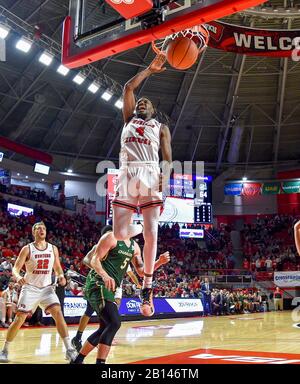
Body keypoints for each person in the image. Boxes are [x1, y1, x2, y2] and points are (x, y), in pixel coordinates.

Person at [112, 54, 172, 317]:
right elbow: (128, 88)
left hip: (150, 172)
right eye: (141, 102)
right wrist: (149, 69)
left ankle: (147, 285)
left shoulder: (161, 127)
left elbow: (167, 156)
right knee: (120, 233)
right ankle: (143, 227)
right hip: (126, 173)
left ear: (153, 111)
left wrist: (166, 176)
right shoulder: (128, 119)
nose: (142, 103)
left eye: (147, 103)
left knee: (152, 233)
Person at [72, 225, 170, 364]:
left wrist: (159, 262)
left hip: (111, 288)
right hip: (98, 283)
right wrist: (105, 276)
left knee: (104, 327)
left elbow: (142, 271)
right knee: (115, 322)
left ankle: (77, 360)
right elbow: (94, 260)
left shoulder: (135, 247)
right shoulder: (111, 237)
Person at [0, 221, 77, 363]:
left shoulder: (53, 248)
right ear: (33, 232)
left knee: (58, 313)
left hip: (47, 288)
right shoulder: (27, 249)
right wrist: (18, 277)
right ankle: (4, 350)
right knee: (19, 319)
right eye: (38, 228)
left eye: (43, 228)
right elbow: (16, 268)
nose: (41, 230)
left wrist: (60, 276)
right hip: (30, 288)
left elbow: (58, 267)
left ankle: (69, 350)